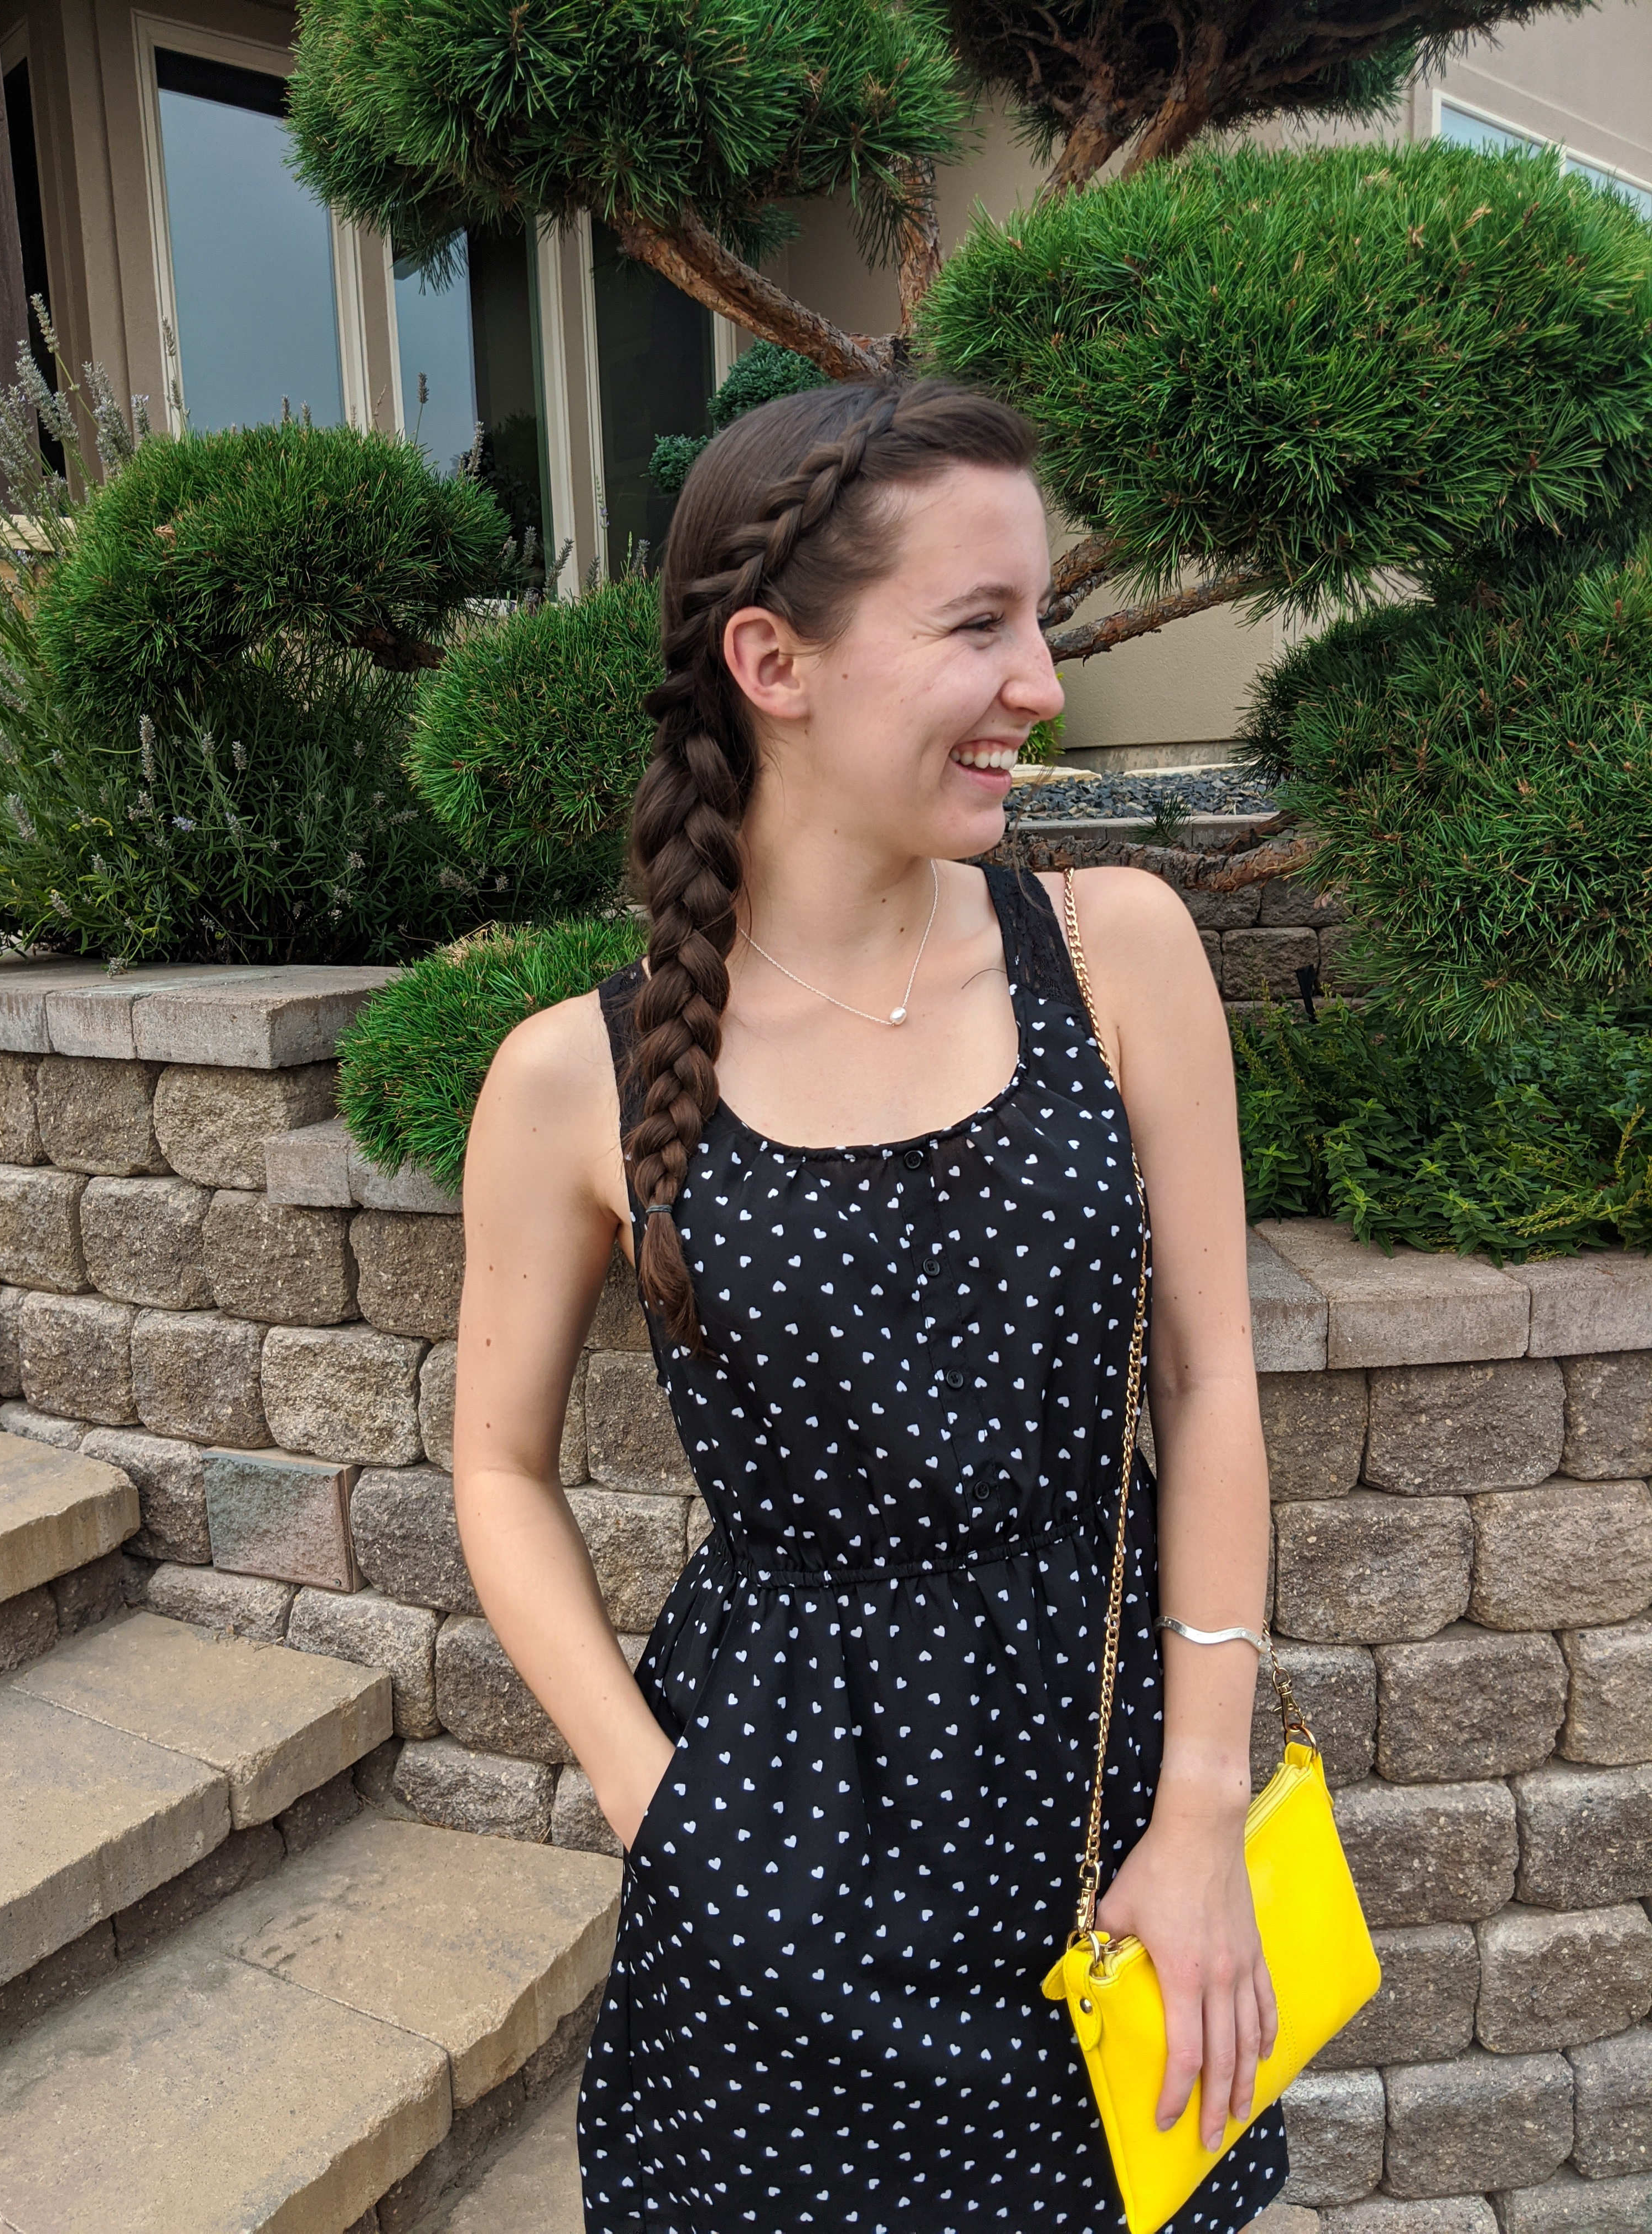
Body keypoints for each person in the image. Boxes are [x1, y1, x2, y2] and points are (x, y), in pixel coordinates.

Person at [453, 377, 1288, 2232]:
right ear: (776, 659)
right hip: (772, 1844)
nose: (1045, 681)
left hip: (1110, 1812)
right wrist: (655, 1803)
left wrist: (1204, 1805)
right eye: (980, 623)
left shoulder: (1121, 952)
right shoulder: (569, 1079)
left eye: (1043, 619)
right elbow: (496, 1471)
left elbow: (1214, 1381)